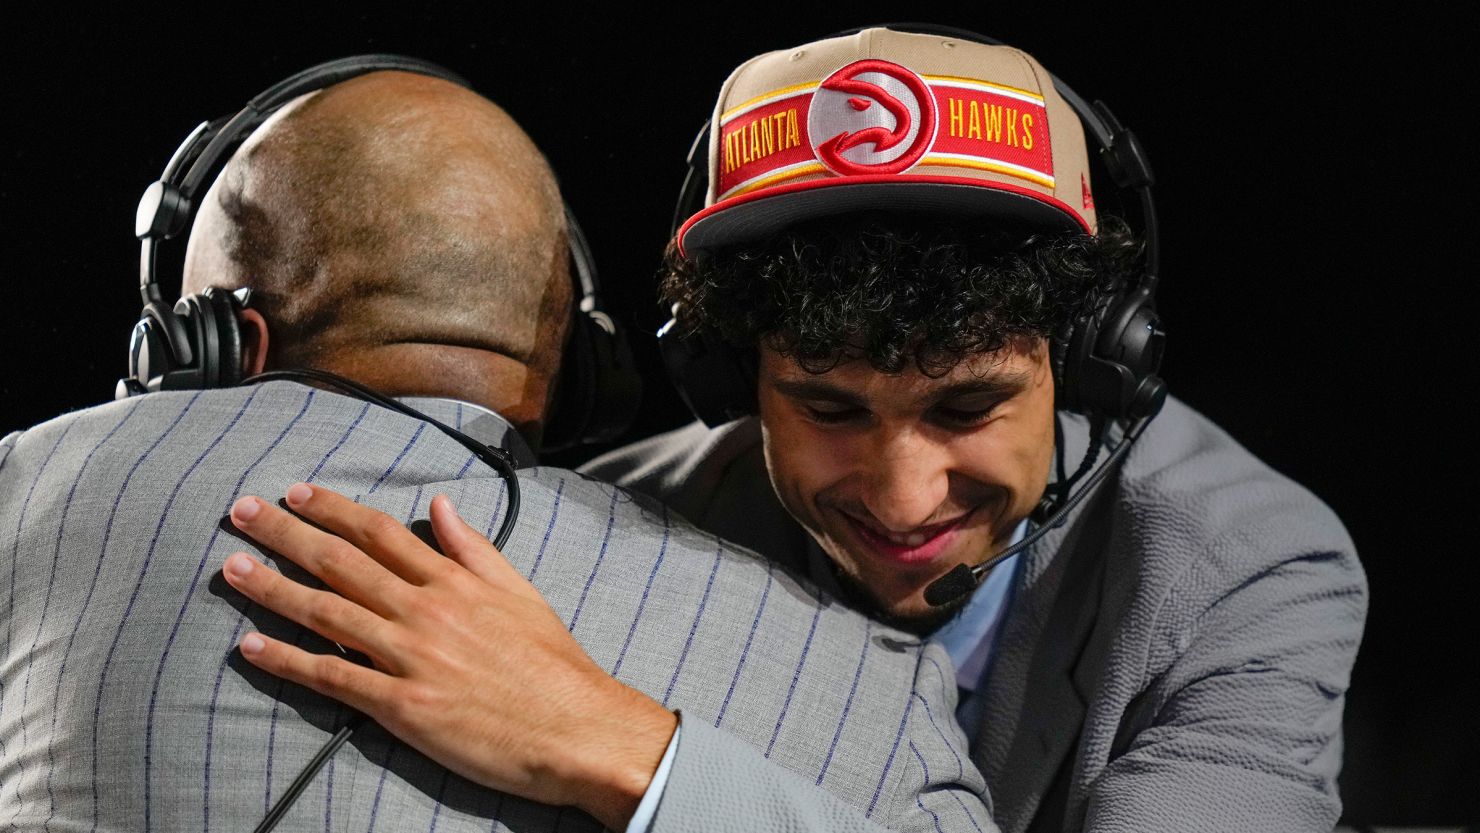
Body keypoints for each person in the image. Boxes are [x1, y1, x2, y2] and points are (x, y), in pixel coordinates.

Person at [0, 65, 993, 832]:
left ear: (217, 343)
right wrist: (651, 761)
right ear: (569, 371)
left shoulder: (29, 488)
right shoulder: (871, 688)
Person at [580, 26, 1369, 833]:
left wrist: (651, 766)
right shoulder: (602, 534)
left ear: (1087, 362)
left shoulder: (1246, 571)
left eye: (966, 409)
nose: (903, 500)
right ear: (726, 374)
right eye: (830, 410)